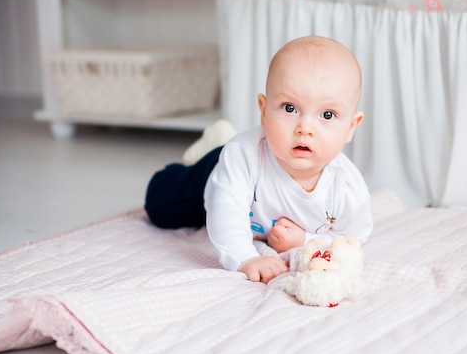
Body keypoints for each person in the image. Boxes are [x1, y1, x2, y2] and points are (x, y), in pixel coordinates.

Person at [145, 36, 373, 283]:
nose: (305, 128)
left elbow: (351, 238)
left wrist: (304, 240)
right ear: (264, 111)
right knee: (159, 206)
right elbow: (226, 213)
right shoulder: (242, 156)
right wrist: (245, 258)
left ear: (351, 127)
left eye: (327, 114)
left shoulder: (348, 185)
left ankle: (221, 137)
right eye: (289, 108)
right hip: (218, 174)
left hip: (245, 168)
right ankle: (215, 149)